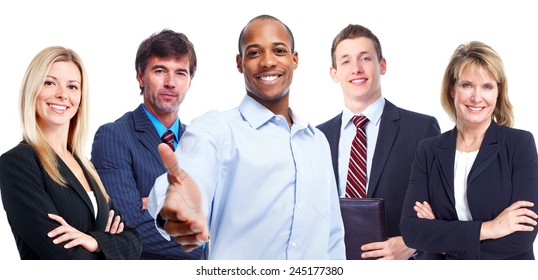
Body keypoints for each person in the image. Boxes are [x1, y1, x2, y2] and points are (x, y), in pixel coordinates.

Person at [147, 14, 345, 259]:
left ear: (295, 60)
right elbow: (189, 174)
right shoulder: (217, 129)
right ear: (239, 63)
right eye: (254, 53)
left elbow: (333, 238)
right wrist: (177, 204)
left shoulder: (317, 142)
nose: (268, 61)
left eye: (279, 50)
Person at [400, 41, 538, 259]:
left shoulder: (520, 145)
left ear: (498, 93)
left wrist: (441, 241)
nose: (476, 97)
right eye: (467, 85)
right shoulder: (428, 150)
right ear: (452, 89)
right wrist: (490, 229)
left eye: (487, 87)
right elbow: (411, 232)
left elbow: (521, 238)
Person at [0, 46, 142, 259]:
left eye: (72, 87)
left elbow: (134, 241)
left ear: (80, 98)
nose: (62, 95)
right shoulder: (17, 163)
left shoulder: (86, 166)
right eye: (49, 83)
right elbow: (60, 256)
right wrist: (111, 248)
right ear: (33, 90)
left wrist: (95, 242)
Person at [317, 24, 440, 260]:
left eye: (365, 58)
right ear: (334, 73)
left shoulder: (421, 129)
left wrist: (412, 242)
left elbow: (445, 206)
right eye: (345, 61)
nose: (356, 68)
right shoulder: (317, 137)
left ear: (382, 65)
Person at [90, 29, 202, 259]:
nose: (171, 83)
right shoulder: (114, 137)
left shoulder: (202, 142)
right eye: (160, 71)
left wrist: (155, 208)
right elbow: (131, 226)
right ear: (141, 77)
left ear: (190, 81)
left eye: (181, 73)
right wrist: (207, 243)